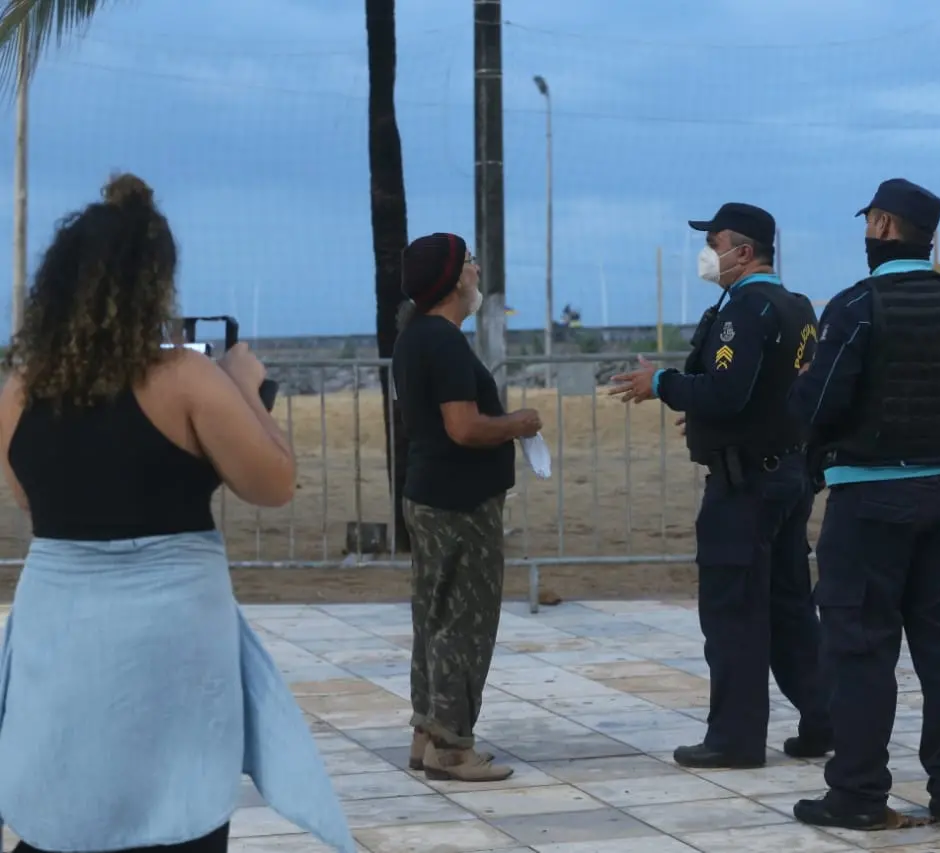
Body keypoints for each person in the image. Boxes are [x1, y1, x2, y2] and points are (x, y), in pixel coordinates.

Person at [0, 174, 354, 853]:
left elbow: (29, 498)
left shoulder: (21, 389)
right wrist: (243, 387)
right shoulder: (185, 379)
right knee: (175, 809)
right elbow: (274, 481)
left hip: (59, 619)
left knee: (60, 792)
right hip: (168, 628)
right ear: (151, 286)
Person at [787, 179, 940, 832]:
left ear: (884, 226)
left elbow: (816, 406)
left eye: (870, 221)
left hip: (870, 502)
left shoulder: (856, 307)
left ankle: (858, 793)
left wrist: (803, 391)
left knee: (861, 652)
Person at [610, 203, 832, 769]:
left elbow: (728, 390)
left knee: (733, 611)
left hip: (745, 485)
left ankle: (735, 738)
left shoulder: (746, 310)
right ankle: (823, 719)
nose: (707, 254)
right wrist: (710, 420)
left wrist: (662, 382)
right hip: (786, 474)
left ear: (745, 252)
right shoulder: (798, 306)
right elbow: (777, 393)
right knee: (790, 609)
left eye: (715, 243)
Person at [392, 232, 541, 783]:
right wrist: (519, 424)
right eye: (472, 262)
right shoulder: (444, 342)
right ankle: (452, 747)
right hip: (459, 504)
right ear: (456, 278)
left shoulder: (414, 337)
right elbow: (464, 427)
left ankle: (427, 735)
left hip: (429, 494)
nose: (478, 270)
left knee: (432, 618)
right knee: (464, 623)